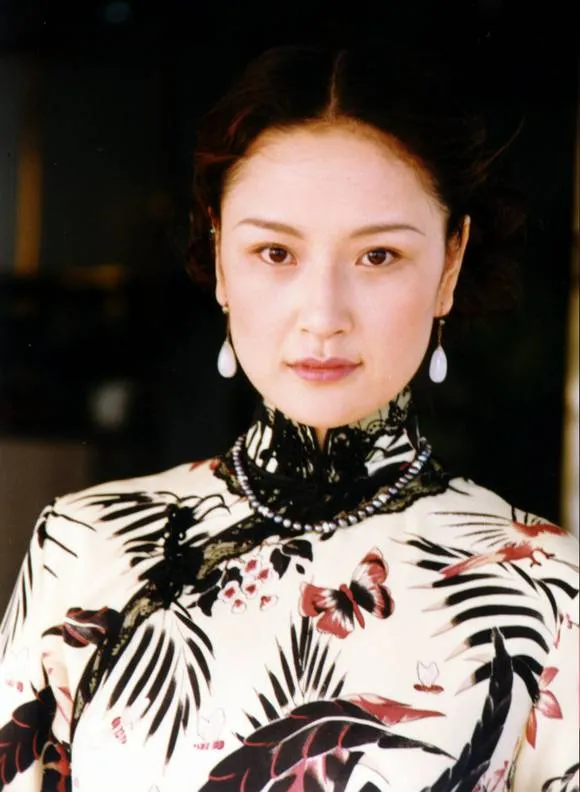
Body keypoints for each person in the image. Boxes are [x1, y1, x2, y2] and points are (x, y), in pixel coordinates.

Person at [0, 43, 578, 792]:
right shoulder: (82, 549)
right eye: (275, 252)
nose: (323, 315)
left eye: (378, 257)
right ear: (220, 255)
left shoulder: (545, 591)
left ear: (451, 263)